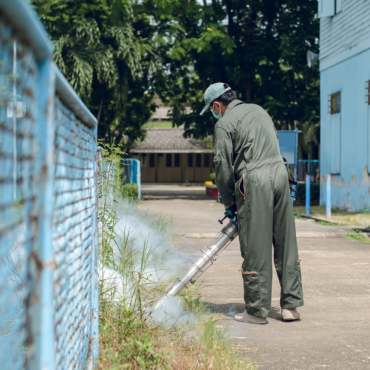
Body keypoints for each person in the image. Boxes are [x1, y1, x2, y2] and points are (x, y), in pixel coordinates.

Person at [200, 83, 304, 324]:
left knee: (256, 246)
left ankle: (257, 312)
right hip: (281, 174)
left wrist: (230, 202)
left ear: (217, 105)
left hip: (255, 180)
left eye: (212, 110)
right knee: (286, 241)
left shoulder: (223, 123)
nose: (213, 115)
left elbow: (224, 167)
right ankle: (291, 307)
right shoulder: (259, 110)